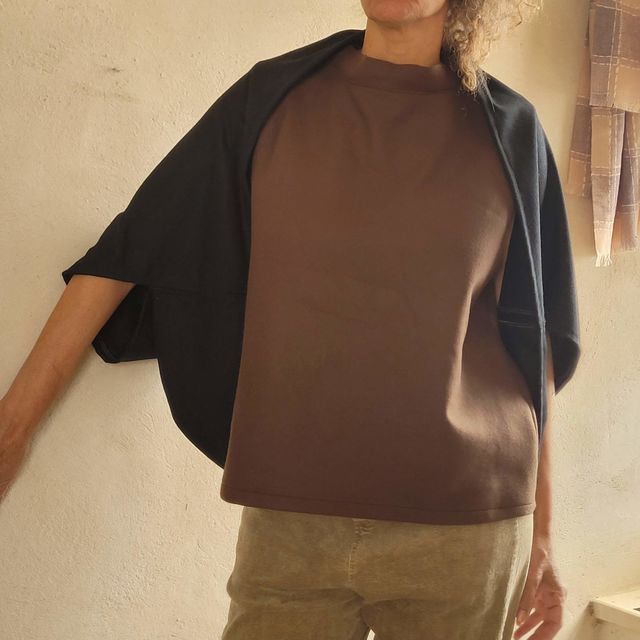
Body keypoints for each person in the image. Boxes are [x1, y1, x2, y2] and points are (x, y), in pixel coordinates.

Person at [1, 1, 576, 638]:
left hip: (467, 529)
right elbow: (134, 248)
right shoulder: (270, 98)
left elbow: (537, 340)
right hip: (291, 524)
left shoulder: (509, 131)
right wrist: (12, 428)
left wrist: (545, 537)